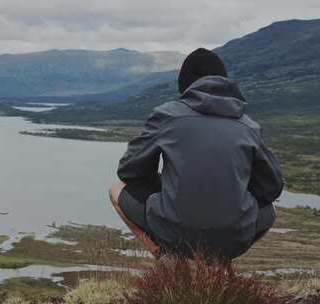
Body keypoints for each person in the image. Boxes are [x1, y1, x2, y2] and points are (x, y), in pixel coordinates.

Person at [109, 48, 284, 261]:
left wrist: (162, 186)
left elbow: (129, 171)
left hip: (172, 233)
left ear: (185, 86)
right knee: (270, 210)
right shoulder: (249, 126)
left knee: (116, 189)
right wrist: (237, 192)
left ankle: (164, 256)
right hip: (232, 238)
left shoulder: (167, 116)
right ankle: (219, 263)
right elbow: (272, 187)